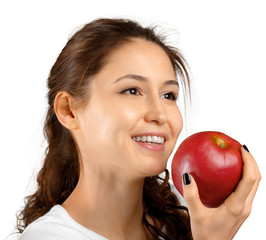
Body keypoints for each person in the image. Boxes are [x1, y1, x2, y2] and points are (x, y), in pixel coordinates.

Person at [16, 18, 260, 240]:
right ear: (68, 110)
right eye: (132, 91)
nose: (160, 114)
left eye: (168, 95)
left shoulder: (186, 215)